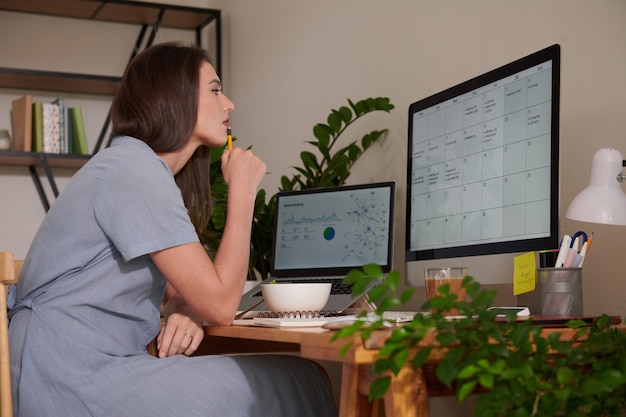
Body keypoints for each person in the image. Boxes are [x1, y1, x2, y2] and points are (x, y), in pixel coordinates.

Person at [8, 42, 337, 417]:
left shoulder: (136, 166)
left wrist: (185, 310)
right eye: (215, 90)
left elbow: (184, 290)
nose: (229, 103)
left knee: (299, 376)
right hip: (68, 373)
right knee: (301, 378)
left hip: (80, 363)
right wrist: (242, 193)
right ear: (175, 96)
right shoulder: (134, 168)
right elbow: (221, 305)